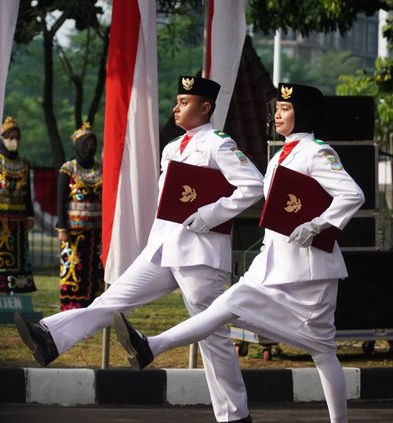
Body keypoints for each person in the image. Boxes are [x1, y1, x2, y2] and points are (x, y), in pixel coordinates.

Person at [14, 76, 264, 423]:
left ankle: (235, 416)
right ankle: (50, 337)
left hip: (200, 252)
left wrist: (209, 214)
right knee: (113, 299)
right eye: (176, 100)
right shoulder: (173, 147)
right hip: (163, 246)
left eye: (184, 101)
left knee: (211, 334)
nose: (176, 107)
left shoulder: (219, 144)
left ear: (205, 108)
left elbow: (253, 185)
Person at [113, 82, 365, 423]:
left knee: (322, 351)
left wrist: (318, 224)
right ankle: (151, 346)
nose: (277, 114)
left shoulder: (318, 152)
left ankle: (340, 421)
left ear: (302, 114)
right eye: (276, 108)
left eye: (286, 109)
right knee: (224, 306)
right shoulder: (279, 154)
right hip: (270, 265)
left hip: (309, 272)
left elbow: (352, 195)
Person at [0, 116, 37, 294]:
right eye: (10, 137)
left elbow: (28, 192)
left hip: (19, 218)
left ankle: (18, 291)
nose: (13, 141)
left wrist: (30, 215)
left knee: (18, 256)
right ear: (2, 138)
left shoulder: (24, 163)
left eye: (16, 137)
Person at [56, 122, 104, 310]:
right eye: (85, 144)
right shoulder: (67, 169)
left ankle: (93, 305)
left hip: (97, 231)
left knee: (94, 269)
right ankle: (72, 305)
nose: (89, 147)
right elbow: (60, 201)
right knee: (74, 268)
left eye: (92, 144)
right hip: (74, 231)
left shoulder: (102, 169)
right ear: (77, 145)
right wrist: (62, 228)